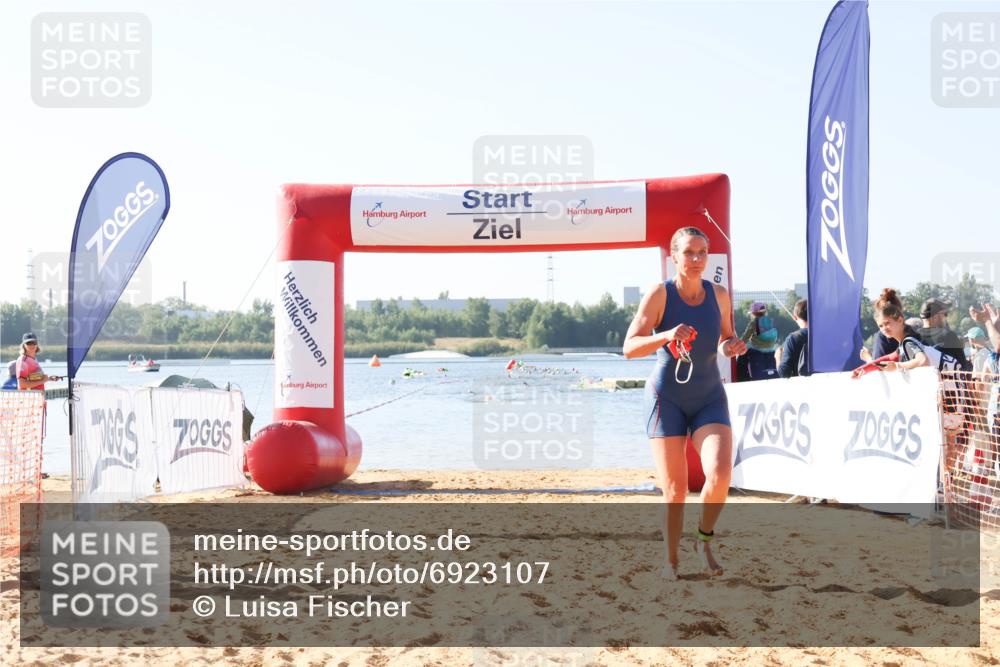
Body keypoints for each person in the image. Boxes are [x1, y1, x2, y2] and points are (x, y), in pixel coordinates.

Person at [623, 226, 746, 580]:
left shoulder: (718, 294)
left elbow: (724, 339)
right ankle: (671, 560)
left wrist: (732, 347)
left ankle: (703, 538)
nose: (696, 259)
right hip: (667, 398)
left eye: (702, 252)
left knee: (721, 474)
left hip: (709, 395)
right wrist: (665, 334)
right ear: (673, 257)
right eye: (689, 253)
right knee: (675, 490)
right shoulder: (660, 295)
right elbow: (630, 347)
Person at [918, 297, 971, 371]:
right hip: (945, 381)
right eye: (945, 314)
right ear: (935, 317)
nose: (946, 317)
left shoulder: (913, 338)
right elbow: (963, 367)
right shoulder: (948, 336)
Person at [739, 302, 779, 380]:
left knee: (742, 358)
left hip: (757, 350)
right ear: (764, 311)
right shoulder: (770, 321)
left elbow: (744, 338)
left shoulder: (753, 323)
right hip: (771, 349)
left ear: (753, 313)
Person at [778, 299, 810, 378]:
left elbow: (784, 373)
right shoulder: (825, 336)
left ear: (795, 317)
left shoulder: (792, 339)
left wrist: (778, 357)